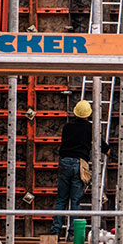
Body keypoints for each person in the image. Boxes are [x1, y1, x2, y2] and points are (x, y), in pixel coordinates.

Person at [50, 100, 110, 236]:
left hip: (64, 162)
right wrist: (107, 150)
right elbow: (100, 144)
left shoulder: (67, 127)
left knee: (61, 199)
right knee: (75, 200)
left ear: (76, 112)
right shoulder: (90, 128)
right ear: (88, 114)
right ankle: (72, 233)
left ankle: (55, 231)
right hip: (79, 164)